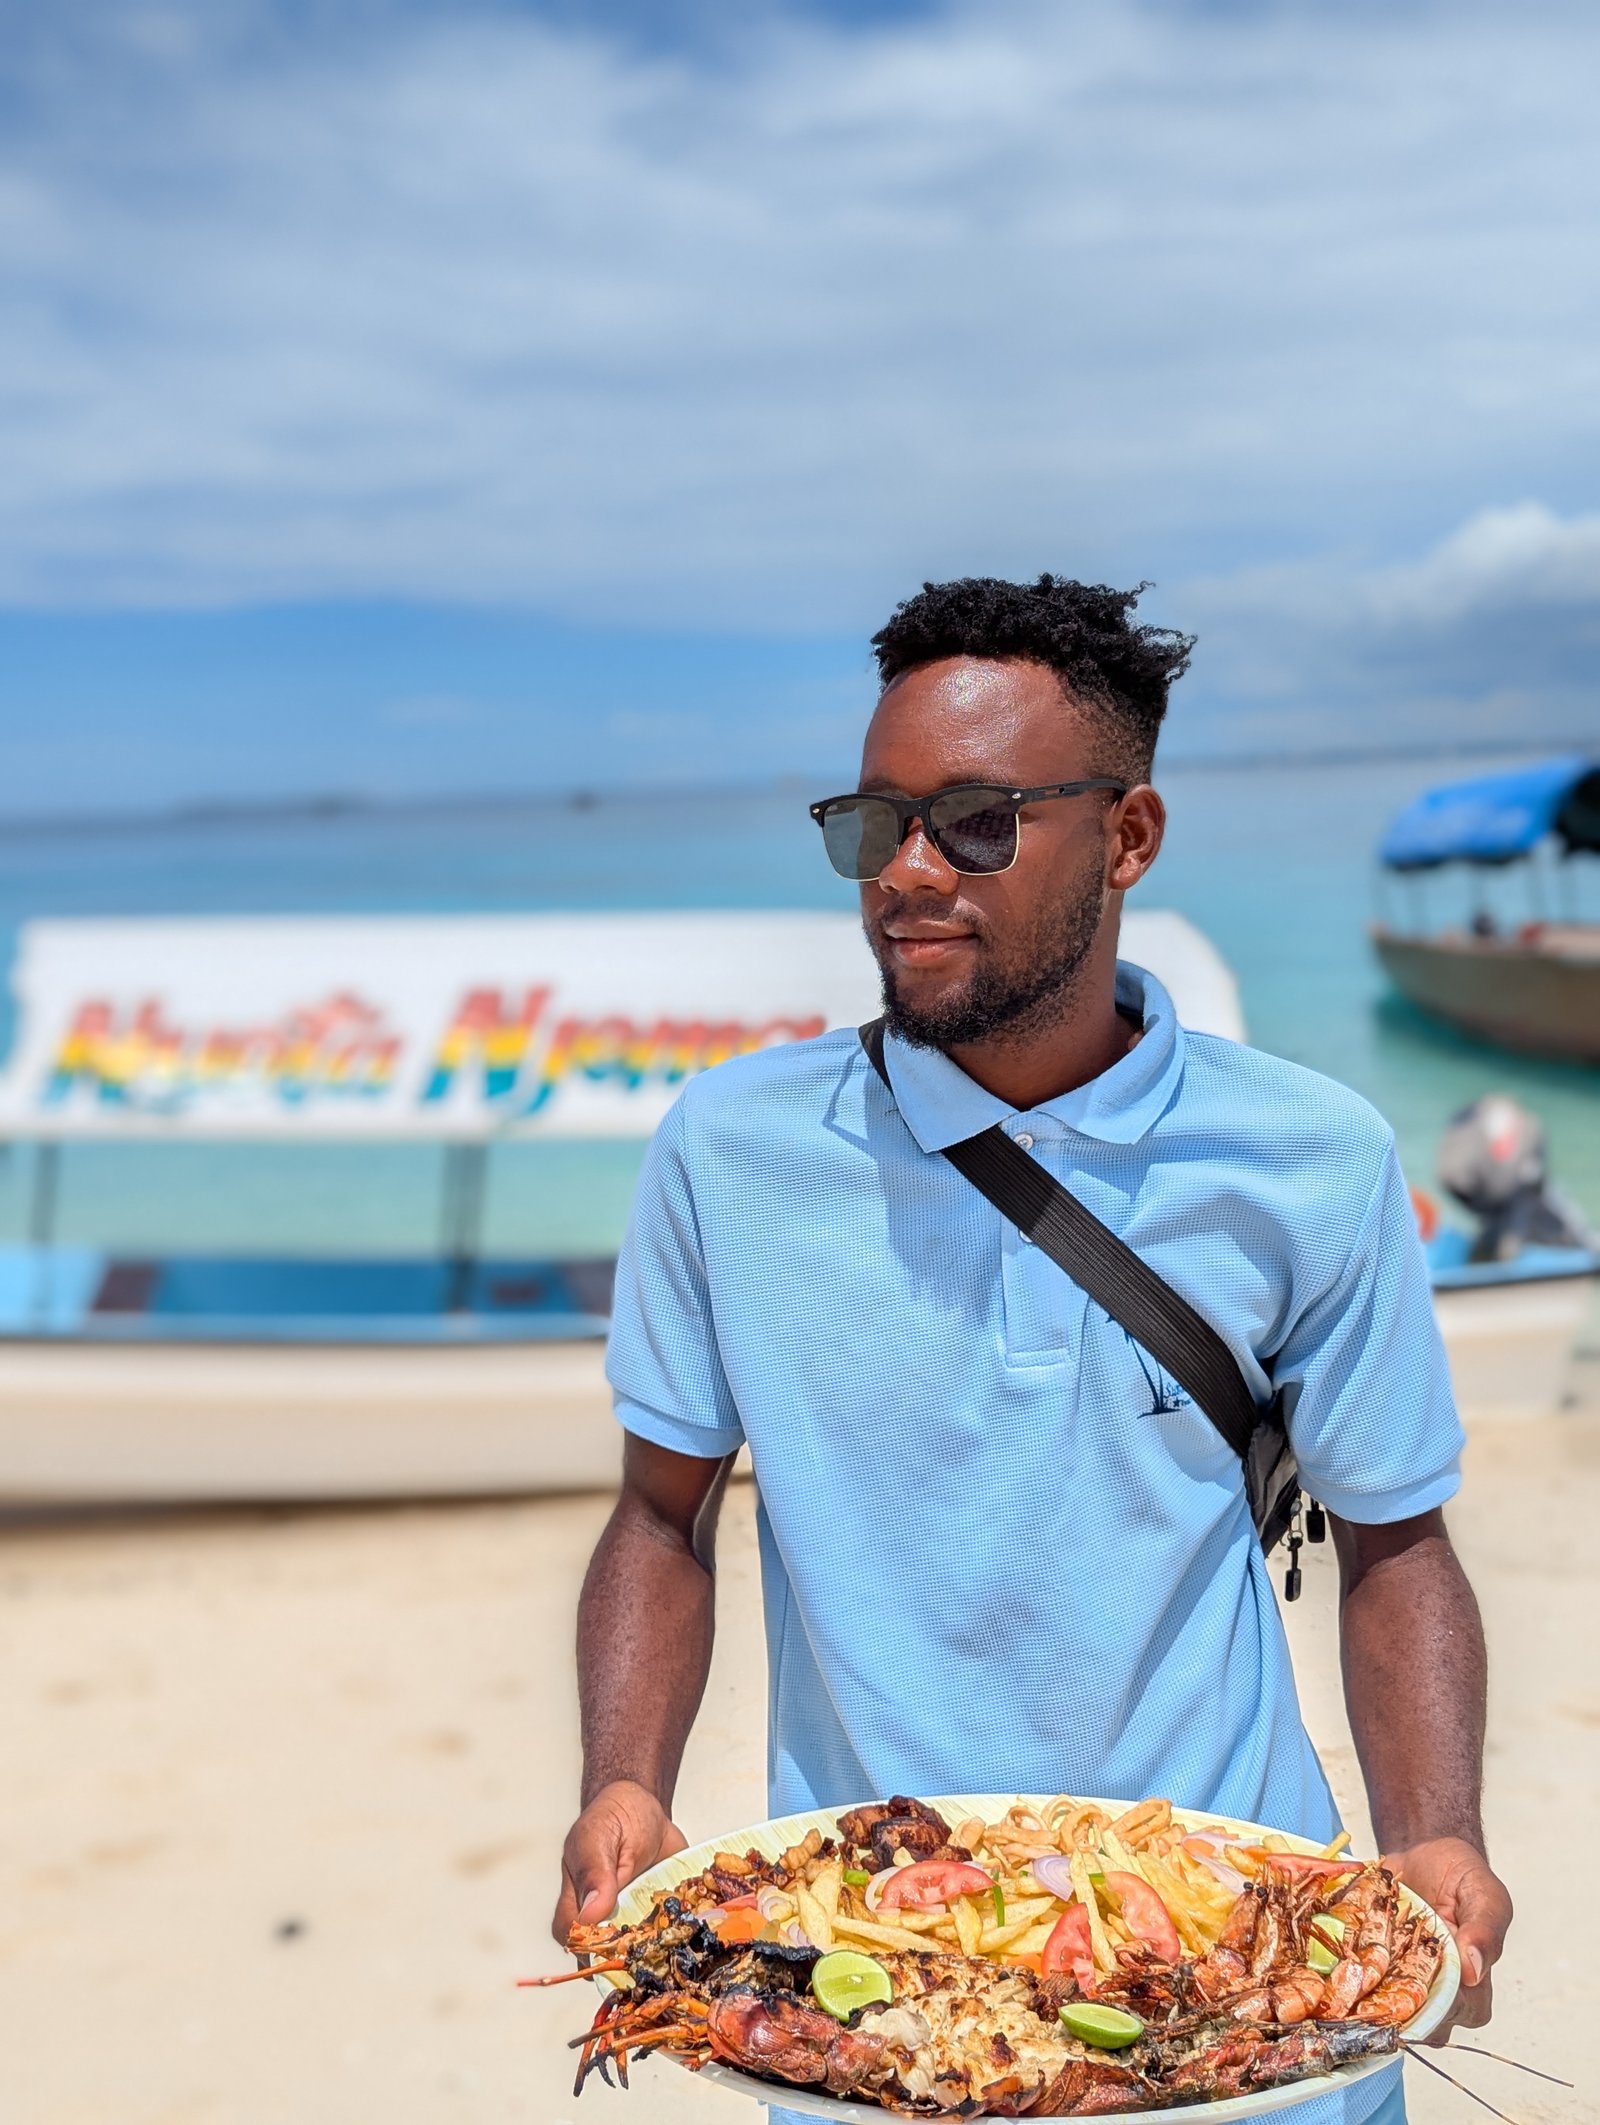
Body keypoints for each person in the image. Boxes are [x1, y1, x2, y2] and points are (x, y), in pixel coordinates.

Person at [553, 575, 1512, 2124]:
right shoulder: (730, 1153)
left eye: (975, 822)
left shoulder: (1311, 1158)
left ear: (1129, 836)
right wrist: (624, 1779)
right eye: (877, 823)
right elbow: (661, 1515)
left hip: (1248, 1977)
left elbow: (1396, 1538)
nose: (906, 872)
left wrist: (1438, 1827)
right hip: (879, 1991)